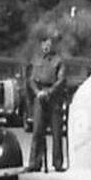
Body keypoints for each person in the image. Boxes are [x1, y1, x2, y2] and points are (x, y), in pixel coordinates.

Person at [27, 36, 67, 172]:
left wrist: (49, 92)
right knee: (37, 131)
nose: (46, 47)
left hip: (54, 98)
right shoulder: (36, 60)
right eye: (44, 45)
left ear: (52, 46)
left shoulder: (58, 61)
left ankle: (58, 163)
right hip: (39, 97)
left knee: (56, 132)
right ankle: (34, 162)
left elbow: (61, 80)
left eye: (48, 45)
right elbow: (31, 79)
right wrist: (37, 92)